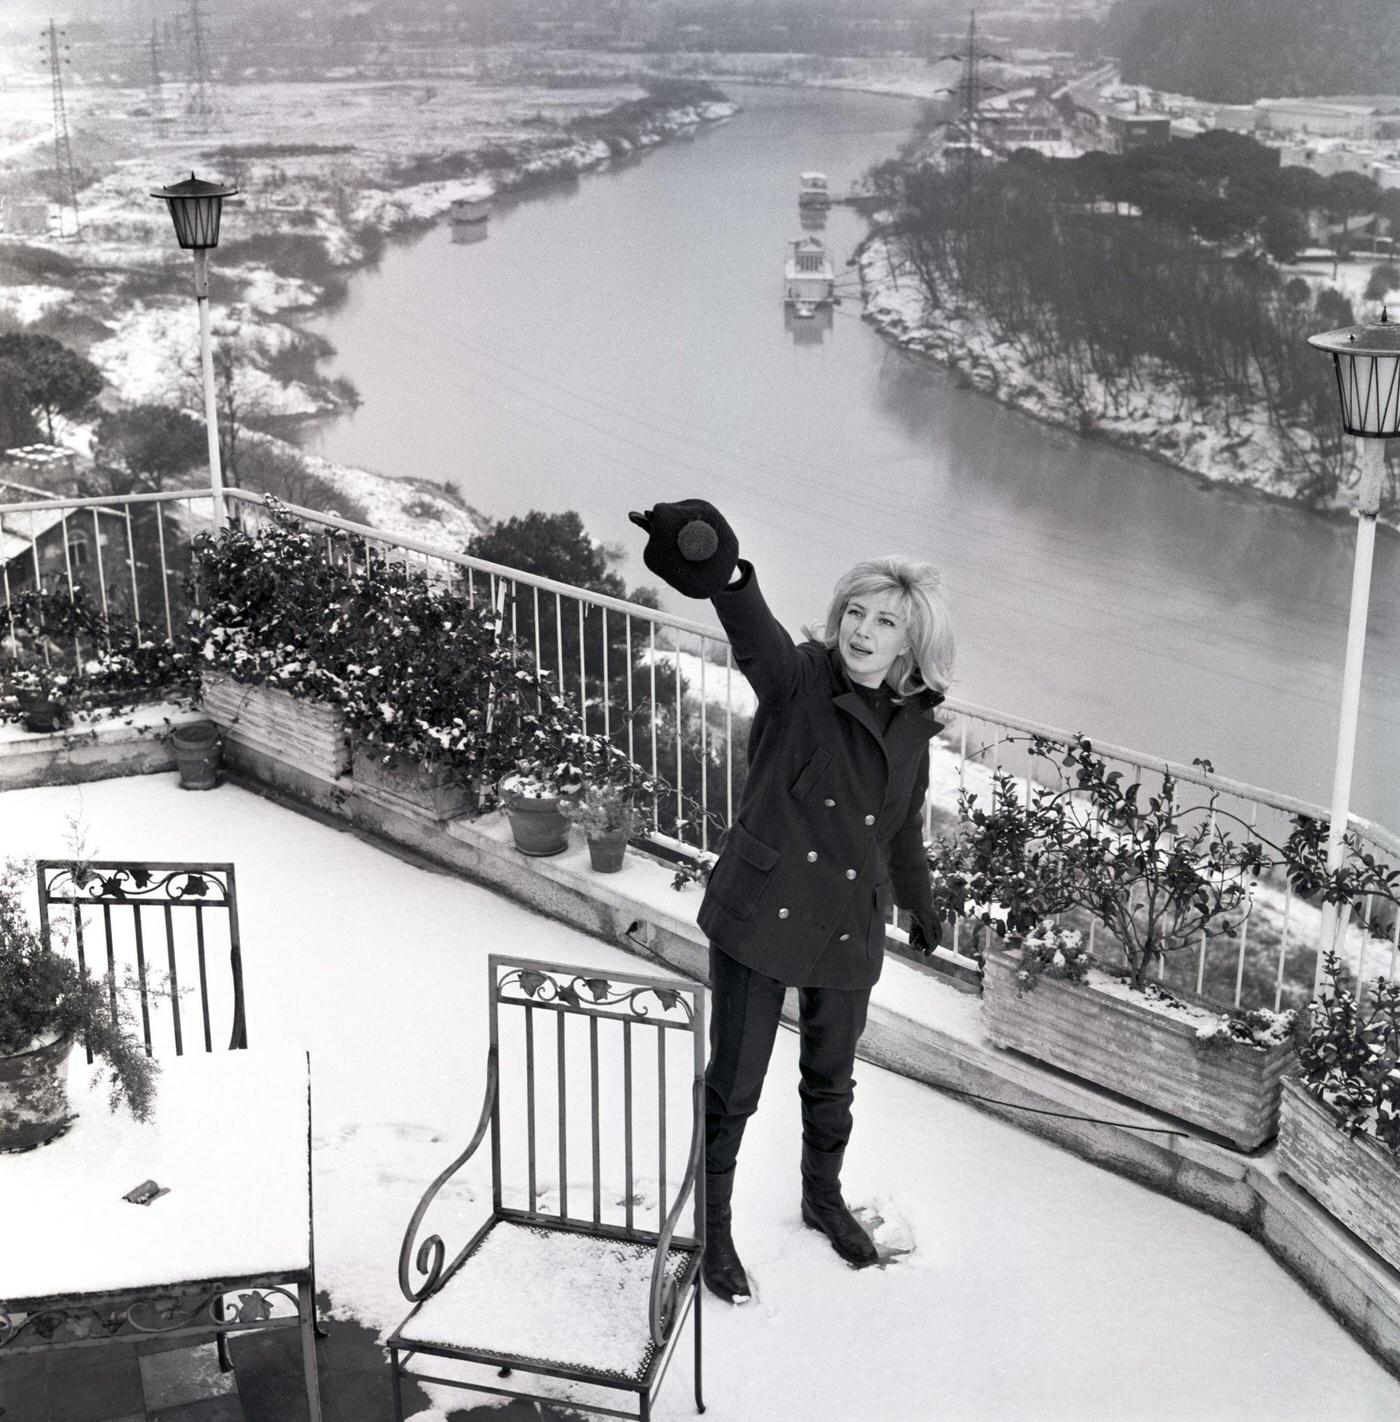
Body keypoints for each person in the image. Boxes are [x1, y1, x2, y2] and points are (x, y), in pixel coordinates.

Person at [629, 499, 954, 1304]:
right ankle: (713, 1230)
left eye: (884, 621)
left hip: (849, 918)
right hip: (762, 909)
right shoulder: (800, 677)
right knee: (734, 1086)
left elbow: (901, 824)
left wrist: (918, 901)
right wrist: (727, 573)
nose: (863, 630)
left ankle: (821, 1198)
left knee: (831, 1081)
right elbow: (756, 637)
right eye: (855, 611)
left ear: (911, 640)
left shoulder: (914, 720)